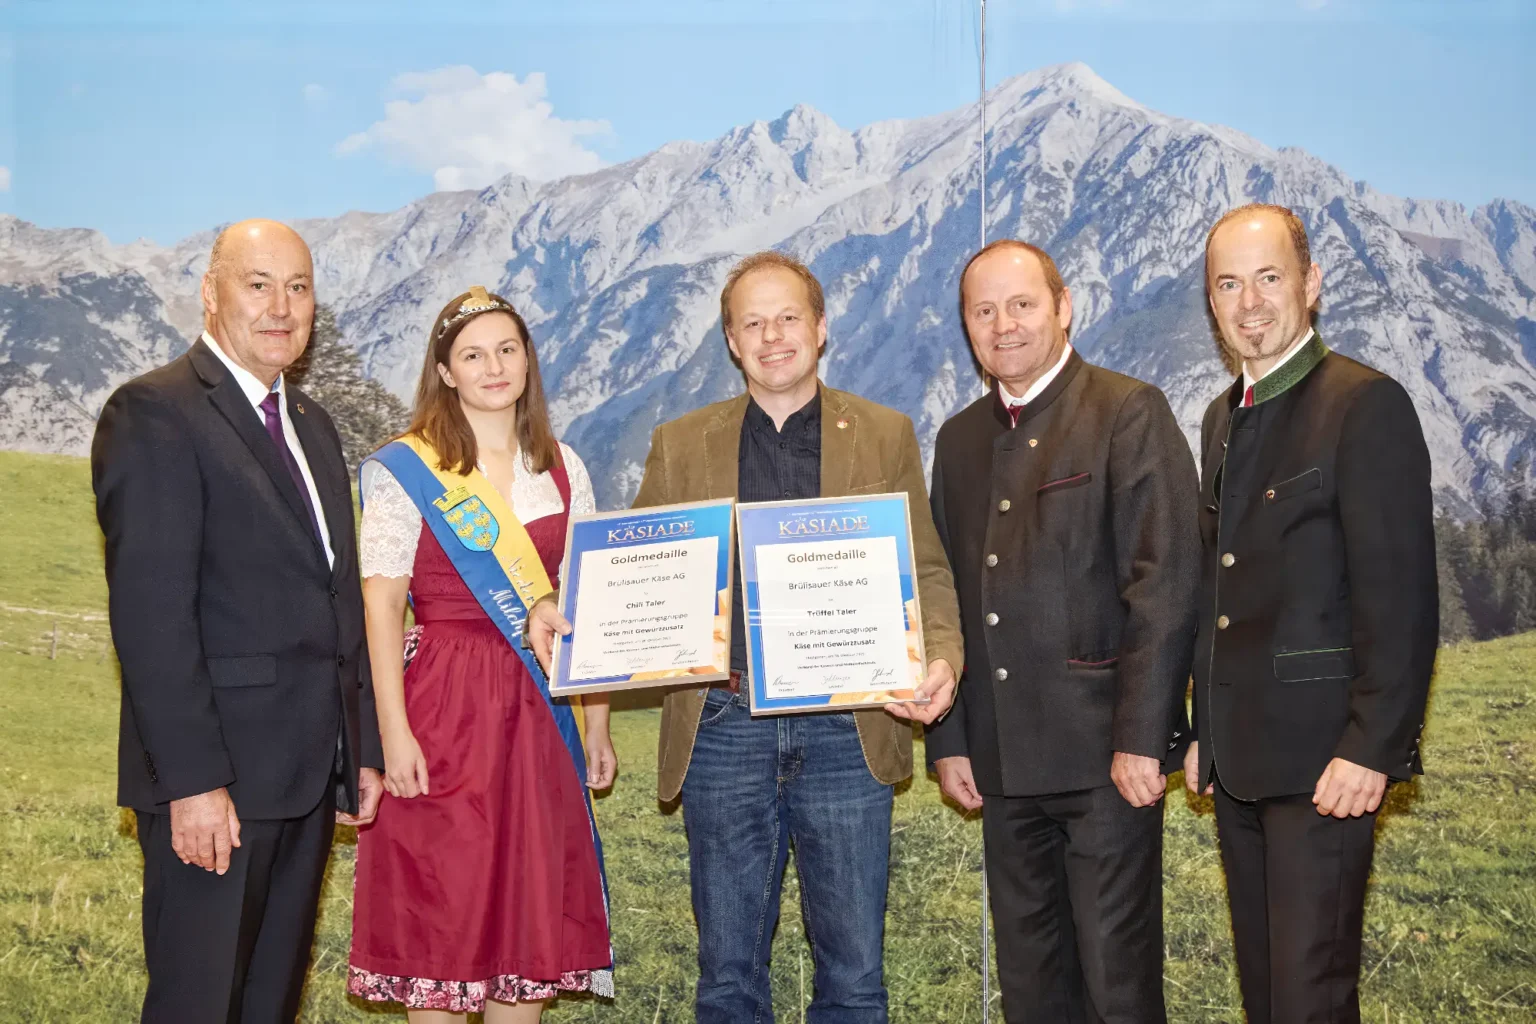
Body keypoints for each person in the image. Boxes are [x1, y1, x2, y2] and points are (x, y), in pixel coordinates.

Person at [532, 251, 963, 1023]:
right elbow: (638, 568)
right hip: (723, 729)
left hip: (849, 728)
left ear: (821, 327)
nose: (773, 337)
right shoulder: (681, 442)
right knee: (728, 979)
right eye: (752, 323)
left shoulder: (885, 431)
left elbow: (924, 566)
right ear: (731, 340)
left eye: (788, 317)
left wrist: (942, 658)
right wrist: (569, 614)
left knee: (856, 975)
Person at [91, 219, 384, 1023]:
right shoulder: (154, 412)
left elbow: (338, 601)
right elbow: (152, 619)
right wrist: (191, 783)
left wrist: (357, 747)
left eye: (299, 287)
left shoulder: (315, 427)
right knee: (199, 1004)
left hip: (303, 779)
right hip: (214, 786)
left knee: (267, 1004)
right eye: (258, 284)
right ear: (210, 292)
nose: (281, 306)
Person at [926, 239, 1200, 1024]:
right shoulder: (959, 439)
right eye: (983, 311)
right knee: (1031, 987)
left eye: (1021, 304)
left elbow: (1166, 581)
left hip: (1106, 761)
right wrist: (948, 741)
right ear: (967, 327)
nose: (1003, 325)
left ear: (1063, 306)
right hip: (1001, 763)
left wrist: (1145, 736)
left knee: (1117, 987)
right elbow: (944, 591)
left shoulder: (1127, 409)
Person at [1185, 204, 1437, 1023]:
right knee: (1265, 997)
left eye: (1269, 278)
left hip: (1327, 769)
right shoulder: (1221, 418)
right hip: (1239, 767)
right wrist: (1201, 733)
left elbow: (1398, 599)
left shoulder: (1365, 404)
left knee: (1310, 1001)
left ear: (1311, 285)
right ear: (1211, 302)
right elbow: (1217, 591)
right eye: (1229, 284)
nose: (1249, 302)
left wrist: (1372, 746)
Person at [346, 287, 615, 1022]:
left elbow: (585, 602)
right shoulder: (406, 470)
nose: (493, 366)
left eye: (506, 349)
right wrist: (390, 733)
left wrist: (596, 726)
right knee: (442, 918)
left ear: (527, 360)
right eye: (472, 354)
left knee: (524, 937)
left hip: (539, 720)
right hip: (441, 708)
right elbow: (380, 605)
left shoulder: (564, 467)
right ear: (446, 370)